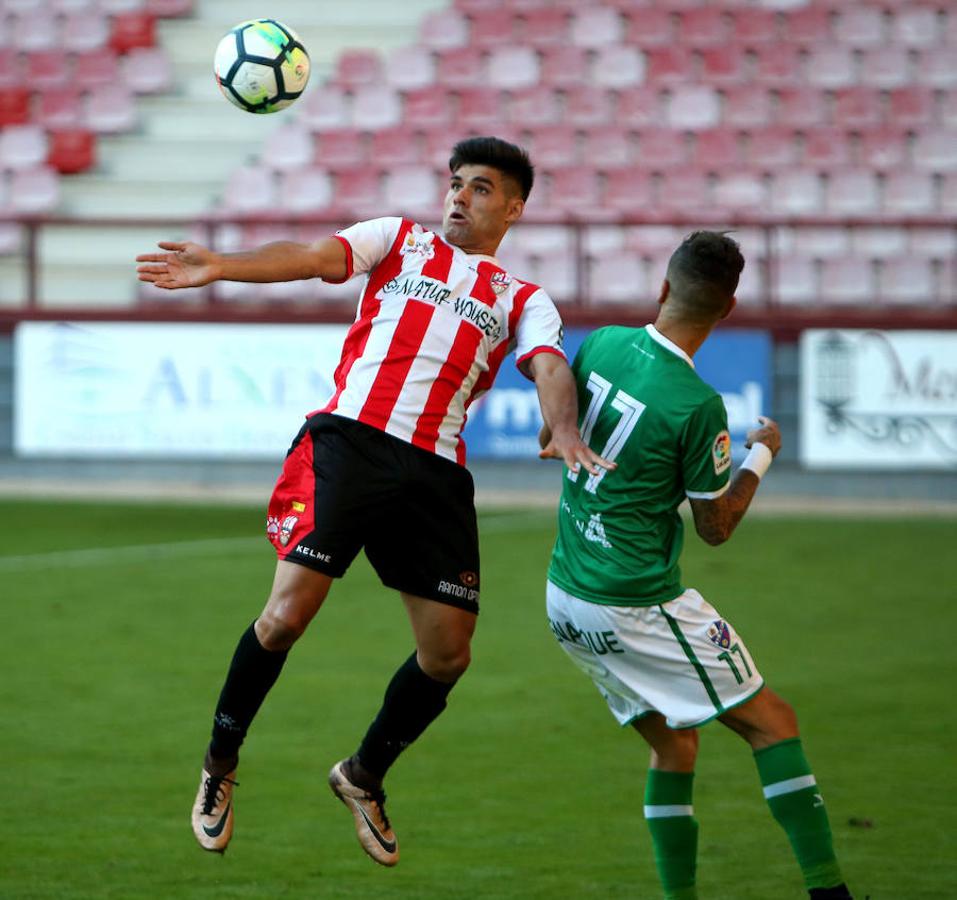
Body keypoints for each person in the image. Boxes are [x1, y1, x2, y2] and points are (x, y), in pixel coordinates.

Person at [136, 136, 610, 865]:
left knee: (447, 656)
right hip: (349, 444)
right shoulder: (398, 240)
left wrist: (566, 428)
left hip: (434, 473)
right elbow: (311, 256)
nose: (459, 196)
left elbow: (547, 365)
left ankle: (362, 776)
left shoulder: (523, 298)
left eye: (481, 188)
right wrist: (222, 265)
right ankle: (219, 765)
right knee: (284, 617)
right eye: (456, 183)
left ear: (514, 208)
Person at [541, 232, 853, 899]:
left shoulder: (601, 343)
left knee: (673, 746)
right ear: (728, 308)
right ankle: (829, 891)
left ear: (662, 287)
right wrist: (761, 454)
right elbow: (715, 528)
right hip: (633, 601)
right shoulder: (696, 404)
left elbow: (551, 425)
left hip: (565, 595)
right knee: (773, 723)